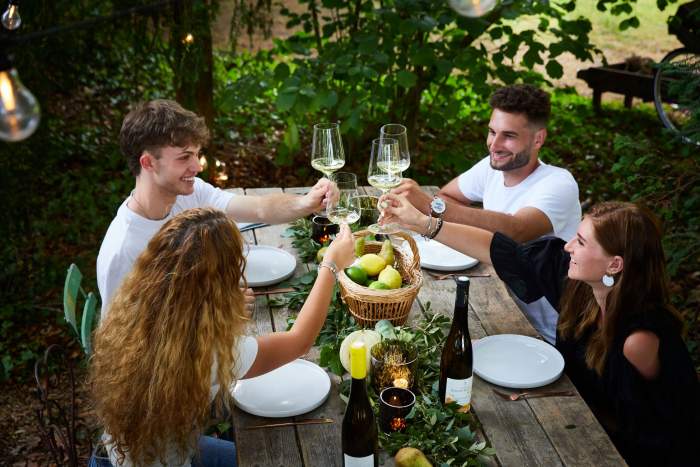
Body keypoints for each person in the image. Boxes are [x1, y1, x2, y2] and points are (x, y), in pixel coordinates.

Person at [380, 195, 699, 466]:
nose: (569, 247)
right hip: (571, 419)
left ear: (614, 265)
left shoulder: (639, 338)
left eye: (582, 242)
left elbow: (652, 427)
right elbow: (501, 250)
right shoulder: (579, 285)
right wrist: (423, 223)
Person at [89, 208, 355, 467]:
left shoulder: (134, 307)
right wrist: (330, 265)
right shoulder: (204, 351)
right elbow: (299, 341)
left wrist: (219, 310)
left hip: (122, 454)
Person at [97, 99, 332, 312]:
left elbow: (260, 208)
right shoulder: (124, 250)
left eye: (196, 155)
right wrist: (215, 311)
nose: (197, 167)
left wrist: (307, 202)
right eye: (184, 157)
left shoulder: (191, 192)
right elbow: (125, 344)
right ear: (148, 163)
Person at [391, 84, 580, 344]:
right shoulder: (493, 167)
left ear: (538, 139)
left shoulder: (559, 183)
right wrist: (443, 211)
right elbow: (448, 195)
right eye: (492, 132)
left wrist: (430, 207)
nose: (495, 144)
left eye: (509, 136)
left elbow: (515, 231)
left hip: (543, 333)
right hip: (495, 302)